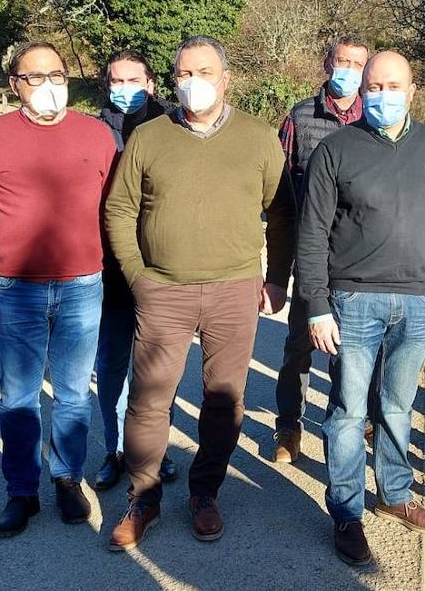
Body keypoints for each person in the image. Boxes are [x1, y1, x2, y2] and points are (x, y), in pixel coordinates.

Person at [104, 35, 295, 550]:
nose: (194, 84)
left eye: (205, 73)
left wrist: (277, 276)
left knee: (222, 400)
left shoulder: (258, 138)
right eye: (185, 75)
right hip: (163, 288)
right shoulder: (149, 136)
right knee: (148, 399)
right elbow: (119, 209)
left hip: (235, 289)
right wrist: (137, 275)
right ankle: (142, 500)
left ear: (225, 78)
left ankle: (205, 492)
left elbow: (281, 214)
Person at [297, 51, 425, 567]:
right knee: (347, 411)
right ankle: (346, 512)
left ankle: (395, 494)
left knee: (396, 406)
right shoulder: (336, 149)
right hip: (353, 299)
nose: (381, 95)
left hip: (416, 301)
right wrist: (317, 305)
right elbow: (313, 231)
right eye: (372, 87)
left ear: (413, 90)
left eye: (392, 86)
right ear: (361, 92)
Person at [0, 41, 118, 538]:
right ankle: (21, 491)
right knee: (18, 397)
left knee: (72, 393)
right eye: (35, 77)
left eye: (57, 75)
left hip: (82, 284)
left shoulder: (96, 135)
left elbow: (115, 205)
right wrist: (11, 245)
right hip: (16, 288)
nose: (48, 86)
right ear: (14, 85)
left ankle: (67, 479)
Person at [272, 34, 368, 464]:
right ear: (328, 64)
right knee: (299, 345)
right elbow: (281, 184)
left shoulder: (372, 119)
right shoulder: (300, 117)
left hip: (356, 256)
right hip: (310, 252)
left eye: (356, 64)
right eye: (341, 61)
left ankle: (344, 427)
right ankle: (289, 426)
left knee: (351, 348)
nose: (347, 70)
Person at [92, 49, 179, 491]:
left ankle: (153, 448)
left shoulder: (172, 125)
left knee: (159, 367)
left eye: (133, 81)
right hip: (111, 270)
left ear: (150, 84)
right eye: (115, 81)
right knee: (111, 365)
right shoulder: (92, 131)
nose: (123, 89)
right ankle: (115, 449)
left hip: (164, 268)